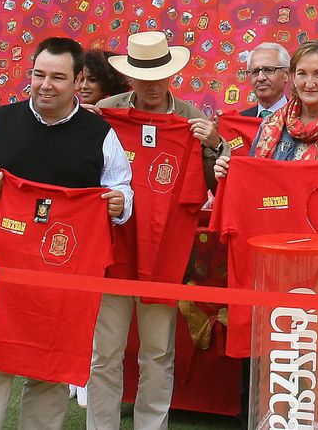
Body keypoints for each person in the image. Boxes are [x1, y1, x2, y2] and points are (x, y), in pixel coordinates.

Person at [0, 36, 132, 430]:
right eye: (38, 74)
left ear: (78, 79)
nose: (45, 85)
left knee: (51, 372)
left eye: (58, 77)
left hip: (63, 275)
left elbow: (122, 185)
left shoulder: (100, 134)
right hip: (1, 271)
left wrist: (120, 204)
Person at [86, 30, 226, 430]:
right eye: (142, 77)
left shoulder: (192, 121)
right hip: (112, 251)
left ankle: (152, 426)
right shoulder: (105, 112)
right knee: (105, 352)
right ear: (129, 78)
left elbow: (222, 182)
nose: (151, 85)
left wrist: (214, 144)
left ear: (172, 75)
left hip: (165, 253)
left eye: (159, 76)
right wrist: (86, 127)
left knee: (158, 351)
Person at [217, 40, 318, 165]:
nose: (309, 83)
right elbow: (253, 181)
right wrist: (228, 172)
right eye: (302, 74)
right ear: (293, 78)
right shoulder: (270, 125)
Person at [238, 41, 290, 118]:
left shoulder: (303, 118)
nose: (260, 78)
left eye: (268, 70)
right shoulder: (241, 121)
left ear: (286, 75)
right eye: (255, 71)